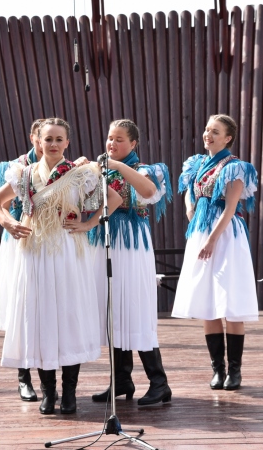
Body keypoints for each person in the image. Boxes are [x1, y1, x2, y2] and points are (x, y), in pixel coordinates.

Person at [0, 118, 122, 415]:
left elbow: (113, 197)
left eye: (59, 139)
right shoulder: (24, 174)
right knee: (40, 316)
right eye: (48, 139)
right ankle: (49, 392)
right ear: (38, 140)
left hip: (66, 250)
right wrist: (9, 222)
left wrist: (88, 224)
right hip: (34, 250)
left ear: (67, 143)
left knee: (67, 315)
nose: (53, 144)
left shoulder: (79, 174)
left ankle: (70, 392)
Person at [88, 119, 173, 406]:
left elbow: (148, 193)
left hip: (132, 245)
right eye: (110, 138)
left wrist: (118, 166)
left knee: (135, 308)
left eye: (119, 139)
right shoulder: (100, 171)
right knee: (113, 308)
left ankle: (159, 383)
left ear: (134, 143)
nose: (112, 143)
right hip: (106, 241)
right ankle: (121, 379)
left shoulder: (146, 170)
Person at [171, 115, 258, 391]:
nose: (208, 134)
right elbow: (189, 189)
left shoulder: (235, 167)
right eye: (207, 129)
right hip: (201, 232)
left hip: (225, 235)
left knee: (229, 301)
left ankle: (235, 371)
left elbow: (231, 208)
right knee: (208, 301)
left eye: (215, 131)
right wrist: (189, 206)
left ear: (228, 138)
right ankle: (217, 369)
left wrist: (211, 239)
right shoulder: (197, 163)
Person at [0, 118, 44, 402]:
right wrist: (10, 223)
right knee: (19, 306)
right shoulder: (15, 168)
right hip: (19, 240)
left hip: (49, 244)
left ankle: (51, 379)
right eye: (41, 135)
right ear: (33, 137)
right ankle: (23, 377)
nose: (46, 141)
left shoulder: (62, 167)